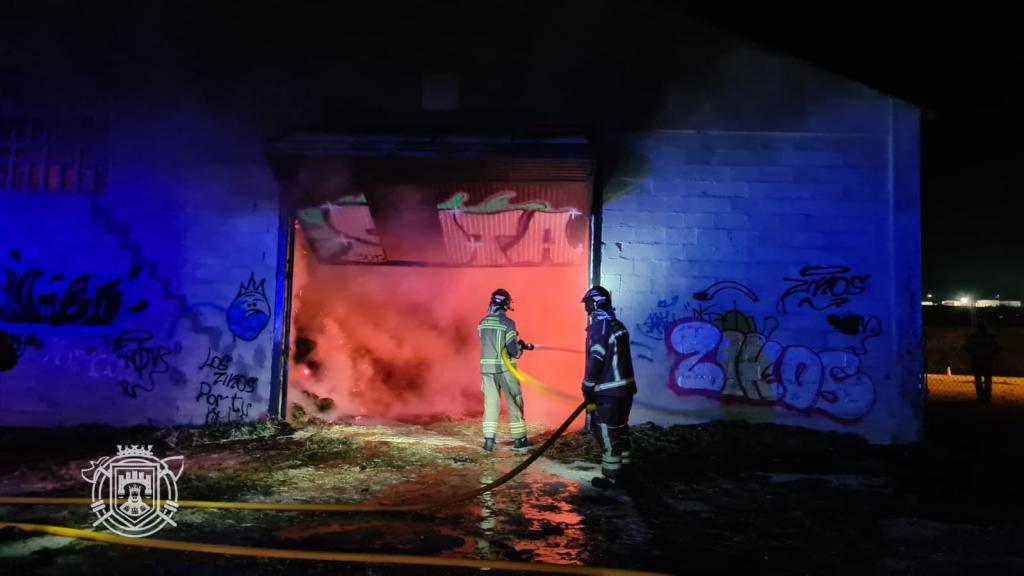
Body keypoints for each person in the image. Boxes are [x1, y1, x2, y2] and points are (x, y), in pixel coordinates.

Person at [580, 286, 636, 489]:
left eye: (587, 304)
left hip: (608, 392)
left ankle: (612, 477)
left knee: (605, 430)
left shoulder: (599, 327)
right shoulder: (618, 325)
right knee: (620, 429)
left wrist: (587, 386)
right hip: (625, 391)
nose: (586, 308)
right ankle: (626, 470)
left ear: (595, 303)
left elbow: (596, 358)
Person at [478, 289, 530, 452]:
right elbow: (513, 351)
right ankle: (520, 440)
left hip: (487, 370)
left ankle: (488, 440)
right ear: (506, 304)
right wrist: (520, 346)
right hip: (505, 370)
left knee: (491, 404)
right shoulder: (508, 324)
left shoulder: (482, 323)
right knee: (514, 400)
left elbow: (489, 342)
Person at [964, 320, 1001, 403]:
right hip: (987, 360)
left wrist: (974, 352)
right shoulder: (990, 337)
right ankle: (987, 397)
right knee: (988, 379)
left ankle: (980, 397)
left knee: (977, 379)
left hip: (976, 360)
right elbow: (998, 347)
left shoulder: (973, 337)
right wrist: (991, 354)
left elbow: (966, 347)